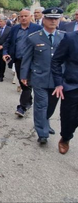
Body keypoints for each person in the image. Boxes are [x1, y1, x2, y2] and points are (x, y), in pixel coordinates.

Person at [20, 8, 65, 145]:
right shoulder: (34, 37)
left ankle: (45, 122)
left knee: (51, 106)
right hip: (39, 77)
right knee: (41, 105)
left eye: (56, 19)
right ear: (43, 20)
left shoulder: (63, 37)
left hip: (57, 80)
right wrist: (24, 75)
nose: (53, 21)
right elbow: (27, 58)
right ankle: (42, 133)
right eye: (50, 18)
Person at [3, 8, 42, 117]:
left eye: (26, 16)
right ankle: (29, 101)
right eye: (21, 16)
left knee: (26, 83)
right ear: (19, 18)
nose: (23, 18)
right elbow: (8, 42)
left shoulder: (38, 29)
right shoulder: (15, 29)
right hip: (18, 60)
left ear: (30, 17)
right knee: (22, 82)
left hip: (31, 61)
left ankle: (22, 107)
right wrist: (5, 53)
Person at [51, 29, 78, 154]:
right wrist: (59, 83)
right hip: (72, 85)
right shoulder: (70, 38)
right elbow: (56, 60)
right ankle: (66, 137)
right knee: (69, 118)